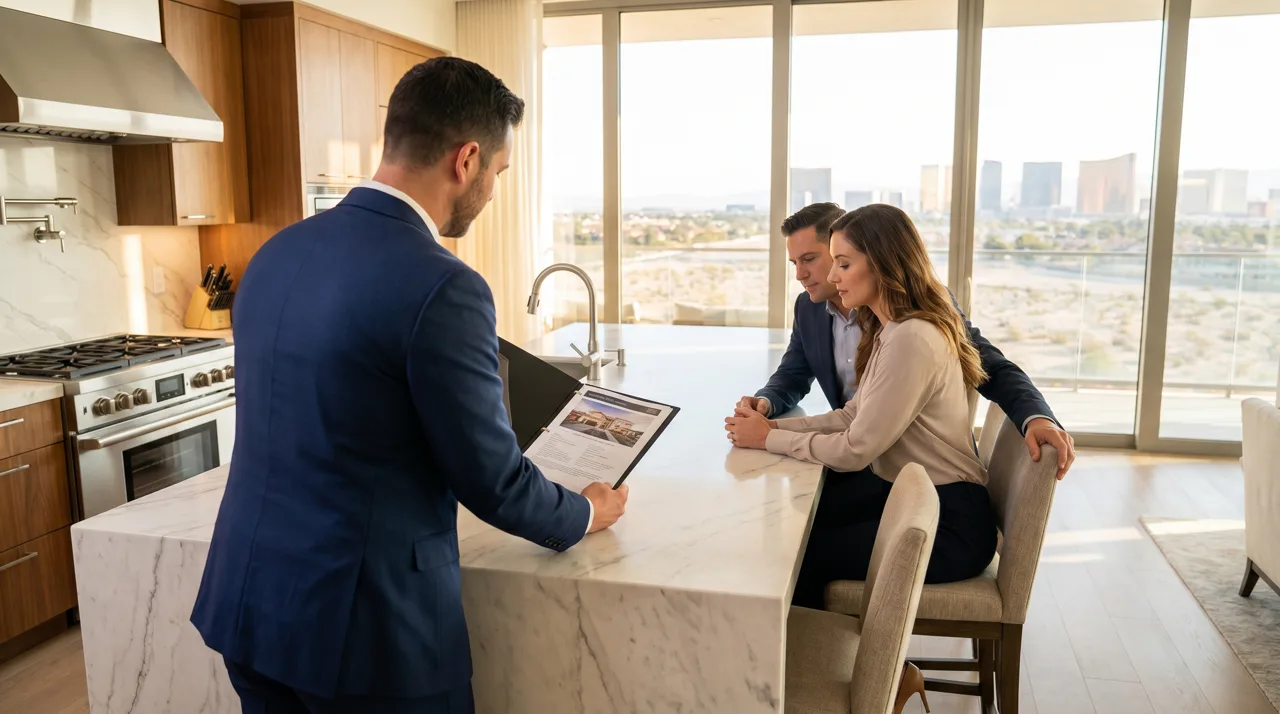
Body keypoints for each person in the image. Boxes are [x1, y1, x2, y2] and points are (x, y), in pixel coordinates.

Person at [190, 58, 629, 714]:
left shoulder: (277, 252)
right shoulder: (444, 285)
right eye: (499, 174)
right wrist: (586, 510)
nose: (492, 191)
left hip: (250, 603)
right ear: (467, 159)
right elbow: (491, 479)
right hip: (365, 635)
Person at [725, 204, 999, 608]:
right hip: (917, 497)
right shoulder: (891, 329)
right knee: (798, 524)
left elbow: (855, 450)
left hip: (946, 523)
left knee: (799, 555)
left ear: (884, 263)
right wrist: (771, 431)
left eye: (843, 263)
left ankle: (833, 668)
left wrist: (768, 441)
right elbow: (852, 415)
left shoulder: (910, 339)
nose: (833, 277)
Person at [736, 202, 1075, 478]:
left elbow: (991, 366)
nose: (800, 274)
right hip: (862, 464)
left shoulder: (912, 316)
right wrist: (766, 409)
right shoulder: (812, 310)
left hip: (921, 476)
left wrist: (1037, 416)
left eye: (811, 259)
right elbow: (795, 376)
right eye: (794, 263)